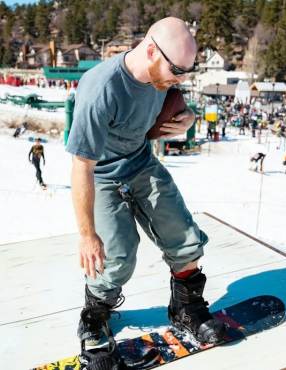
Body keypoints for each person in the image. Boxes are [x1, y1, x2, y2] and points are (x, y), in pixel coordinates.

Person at [66, 17, 225, 349]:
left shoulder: (160, 78)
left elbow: (169, 99)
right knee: (116, 255)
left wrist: (189, 116)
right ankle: (94, 316)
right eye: (177, 70)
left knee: (183, 235)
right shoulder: (101, 89)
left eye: (186, 71)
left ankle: (186, 307)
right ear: (151, 51)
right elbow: (81, 166)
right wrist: (87, 234)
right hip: (101, 175)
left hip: (140, 163)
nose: (179, 78)